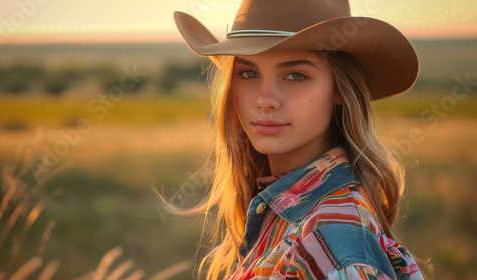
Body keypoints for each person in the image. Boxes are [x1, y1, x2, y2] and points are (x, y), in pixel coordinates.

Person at [160, 0, 431, 279]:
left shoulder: (333, 241)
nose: (264, 100)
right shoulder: (280, 208)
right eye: (248, 73)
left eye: (295, 75)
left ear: (340, 88)